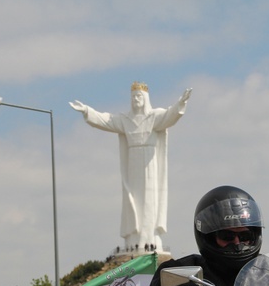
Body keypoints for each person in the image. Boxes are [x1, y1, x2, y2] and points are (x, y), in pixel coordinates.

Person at [70, 82, 192, 251]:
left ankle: (149, 237)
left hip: (150, 164)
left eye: (139, 96)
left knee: (150, 201)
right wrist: (87, 111)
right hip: (132, 164)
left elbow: (170, 116)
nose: (136, 99)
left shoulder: (154, 116)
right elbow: (106, 120)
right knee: (133, 200)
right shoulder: (125, 120)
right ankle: (134, 237)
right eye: (133, 96)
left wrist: (181, 103)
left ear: (145, 98)